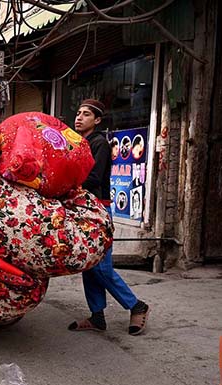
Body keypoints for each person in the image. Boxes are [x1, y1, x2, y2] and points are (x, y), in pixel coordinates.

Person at [68, 99, 150, 335]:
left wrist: (64, 182)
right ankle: (97, 317)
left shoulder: (99, 143)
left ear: (97, 120)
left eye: (86, 114)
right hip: (82, 208)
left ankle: (137, 306)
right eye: (79, 113)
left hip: (99, 210)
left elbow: (93, 177)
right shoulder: (79, 143)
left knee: (101, 267)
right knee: (88, 265)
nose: (79, 117)